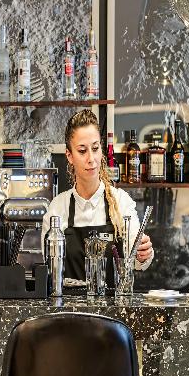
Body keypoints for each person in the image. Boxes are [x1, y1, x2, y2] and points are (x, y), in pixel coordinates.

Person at [42, 110, 154, 285]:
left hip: (113, 303)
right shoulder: (57, 208)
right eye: (82, 151)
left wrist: (144, 253)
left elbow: (137, 261)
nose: (91, 159)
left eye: (95, 149)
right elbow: (49, 269)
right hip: (69, 303)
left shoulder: (121, 202)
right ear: (69, 156)